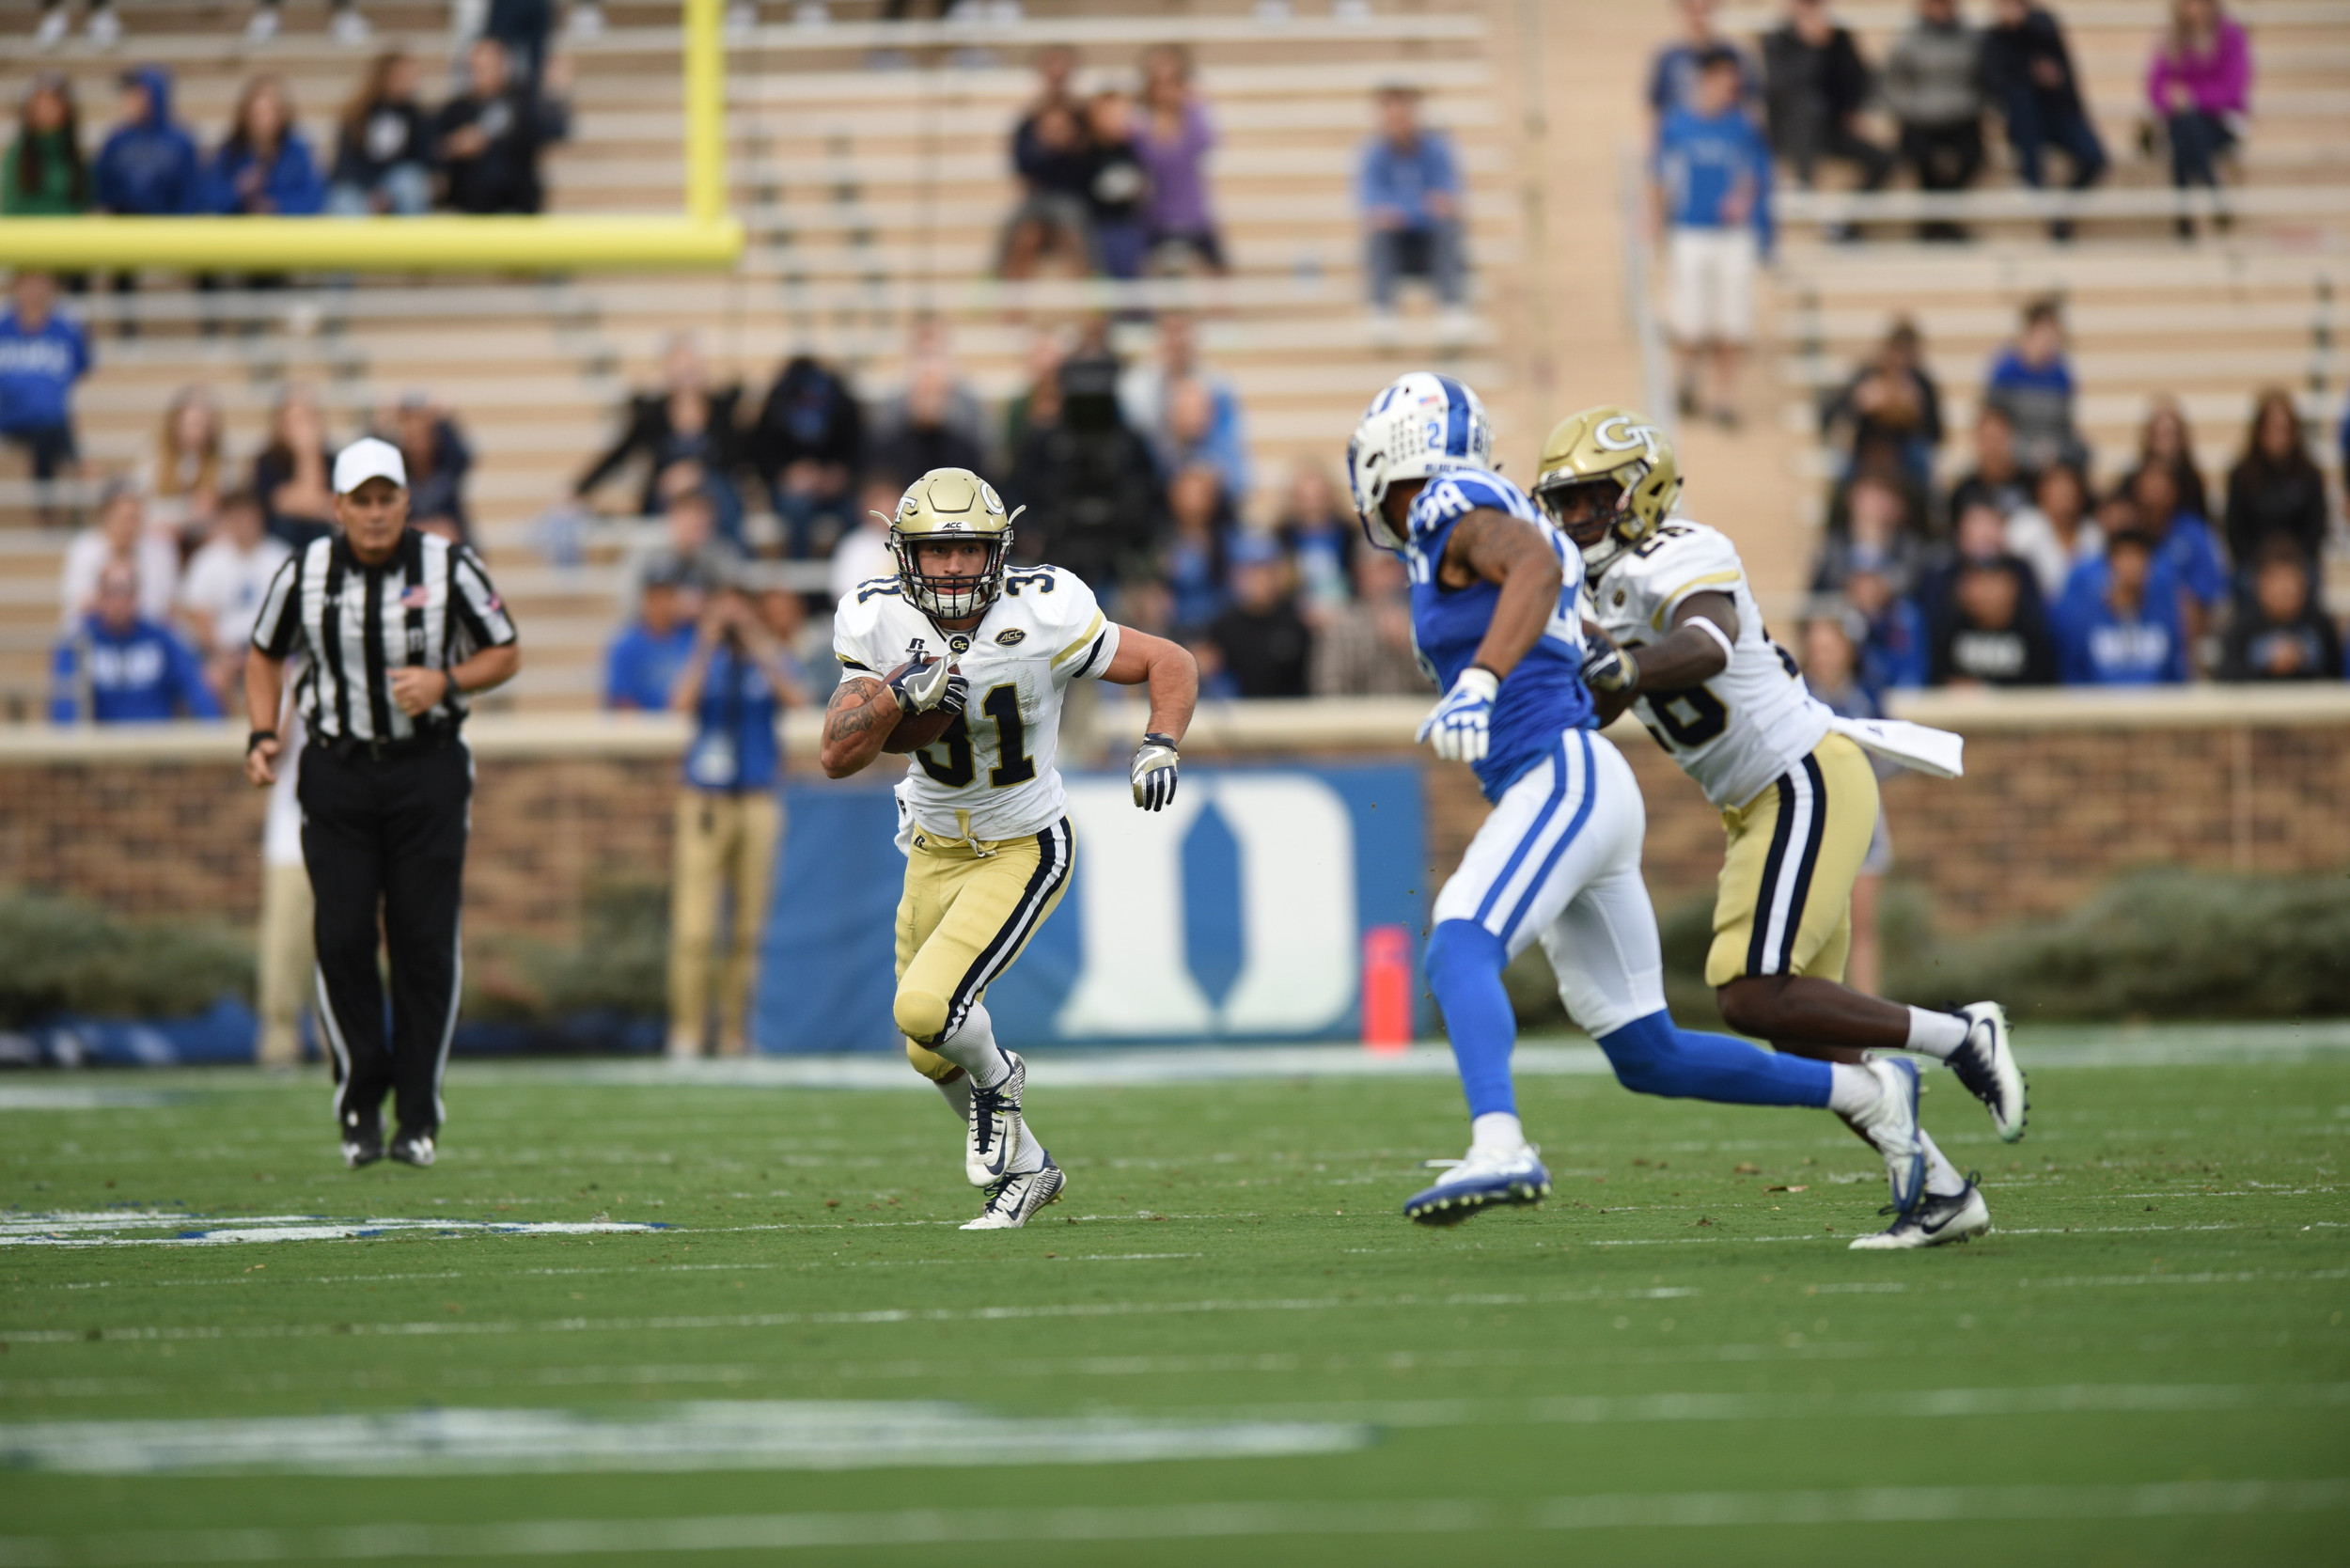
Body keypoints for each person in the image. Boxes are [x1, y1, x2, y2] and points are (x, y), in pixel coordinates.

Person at [1347, 377, 1950, 1236]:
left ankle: (1500, 1141)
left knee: (1457, 945)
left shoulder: (1451, 502)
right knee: (1647, 1054)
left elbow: (1530, 558)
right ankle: (1871, 1092)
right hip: (1575, 784)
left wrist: (1480, 679)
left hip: (1560, 777)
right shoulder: (1464, 526)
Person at [1551, 404, 2018, 1249]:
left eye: (1592, 498)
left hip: (1802, 774)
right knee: (1804, 1032)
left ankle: (1959, 1033)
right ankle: (1945, 1192)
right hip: (1757, 801)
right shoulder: (1585, 591)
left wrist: (1620, 661)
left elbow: (1707, 643)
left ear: (1641, 492)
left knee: (1747, 989)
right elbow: (1601, 697)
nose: (1576, 518)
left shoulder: (1685, 548)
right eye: (1565, 503)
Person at [821, 466, 1198, 1228]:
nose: (955, 566)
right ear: (905, 555)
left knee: (929, 1006)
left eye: (970, 549)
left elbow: (1171, 662)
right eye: (937, 551)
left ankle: (1001, 1083)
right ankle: (1029, 1169)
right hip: (930, 848)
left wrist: (1159, 742)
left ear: (1001, 551)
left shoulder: (1049, 609)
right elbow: (836, 756)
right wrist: (897, 695)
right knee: (927, 1049)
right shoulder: (874, 619)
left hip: (1022, 843)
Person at [244, 437, 524, 1170]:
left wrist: (446, 682)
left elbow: (504, 648)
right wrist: (262, 731)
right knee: (340, 937)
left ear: (406, 502)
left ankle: (419, 1113)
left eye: (385, 499)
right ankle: (360, 1102)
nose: (373, 513)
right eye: (360, 501)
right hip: (337, 770)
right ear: (337, 508)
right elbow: (264, 650)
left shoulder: (447, 565)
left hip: (426, 770)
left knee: (423, 942)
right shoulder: (304, 571)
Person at [666, 575, 809, 1058]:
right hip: (704, 798)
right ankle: (687, 1032)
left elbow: (797, 698)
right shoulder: (703, 659)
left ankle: (734, 1032)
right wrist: (707, 645)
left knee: (748, 927)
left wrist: (755, 638)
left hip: (757, 796)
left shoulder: (765, 657)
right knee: (695, 929)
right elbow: (679, 704)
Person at [1653, 47, 1775, 428]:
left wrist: (1744, 201)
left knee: (1732, 319)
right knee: (1689, 317)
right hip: (1691, 229)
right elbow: (1661, 175)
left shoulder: (1743, 127)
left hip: (1732, 236)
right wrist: (1657, 221)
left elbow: (1755, 173)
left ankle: (1724, 396)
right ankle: (1687, 378)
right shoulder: (1678, 125)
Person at [1007, 353, 1165, 596]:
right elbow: (1016, 492)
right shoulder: (1044, 442)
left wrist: (1138, 538)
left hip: (1117, 558)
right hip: (1055, 550)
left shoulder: (1130, 443)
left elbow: (1152, 496)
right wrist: (1031, 533)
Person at [1795, 614, 1893, 996]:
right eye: (1816, 648)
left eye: (1830, 647)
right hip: (1816, 820)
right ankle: (1815, 1002)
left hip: (1865, 819)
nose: (1823, 656)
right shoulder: (1798, 697)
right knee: (1815, 922)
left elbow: (1889, 755)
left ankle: (1868, 1003)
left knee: (1862, 923)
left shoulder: (1866, 695)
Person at [575, 335, 745, 524]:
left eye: (690, 366)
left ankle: (728, 550)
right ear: (667, 370)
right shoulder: (652, 414)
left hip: (715, 498)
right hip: (666, 500)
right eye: (679, 366)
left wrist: (696, 474)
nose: (686, 373)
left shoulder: (722, 409)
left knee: (718, 490)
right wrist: (580, 489)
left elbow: (737, 457)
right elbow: (620, 454)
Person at [1984, 0, 2105, 237]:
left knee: (2095, 157)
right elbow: (1995, 83)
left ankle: (2060, 210)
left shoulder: (2043, 26)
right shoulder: (1995, 39)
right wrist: (2031, 75)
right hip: (2026, 124)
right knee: (2021, 98)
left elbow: (2062, 73)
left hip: (2060, 115)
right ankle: (2033, 181)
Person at [51, 559, 222, 724]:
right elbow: (65, 705)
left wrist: (214, 735)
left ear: (136, 595)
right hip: (101, 747)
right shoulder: (79, 643)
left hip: (155, 744)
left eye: (126, 591)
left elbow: (195, 687)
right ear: (100, 596)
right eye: (112, 591)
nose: (119, 600)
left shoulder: (161, 639)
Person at [1761, 0, 1892, 207]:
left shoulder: (1839, 37)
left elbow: (1858, 79)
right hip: (1793, 130)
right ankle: (1804, 181)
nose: (1810, 10)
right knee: (1810, 107)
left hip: (1834, 128)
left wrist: (1853, 111)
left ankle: (1847, 219)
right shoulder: (1778, 41)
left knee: (1886, 159)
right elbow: (1783, 88)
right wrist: (1811, 47)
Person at [1358, 86, 1467, 332]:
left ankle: (1453, 306)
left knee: (1448, 228)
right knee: (1379, 235)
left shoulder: (1437, 149)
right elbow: (1372, 204)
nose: (1397, 122)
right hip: (1396, 246)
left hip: (1430, 243)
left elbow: (1446, 200)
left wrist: (1402, 211)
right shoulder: (1374, 155)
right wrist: (1419, 208)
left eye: (1403, 114)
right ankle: (1382, 310)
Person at [178, 490, 292, 712]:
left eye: (247, 516)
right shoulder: (208, 560)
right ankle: (218, 743)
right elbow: (199, 616)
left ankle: (276, 740)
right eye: (235, 517)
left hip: (272, 653)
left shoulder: (281, 557)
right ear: (226, 519)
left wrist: (268, 655)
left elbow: (291, 615)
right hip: (224, 653)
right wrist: (222, 653)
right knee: (209, 679)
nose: (242, 523)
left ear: (259, 518)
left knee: (292, 678)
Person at [1883, 0, 1987, 241]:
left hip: (1961, 115)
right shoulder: (1907, 39)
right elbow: (1893, 81)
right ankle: (1935, 223)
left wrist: (1972, 104)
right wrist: (1909, 108)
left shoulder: (1970, 39)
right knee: (1920, 158)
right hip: (1920, 117)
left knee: (1974, 156)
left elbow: (1982, 77)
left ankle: (1941, 219)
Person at [434, 38, 571, 215]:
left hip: (517, 199)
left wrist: (555, 95)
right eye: (476, 68)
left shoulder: (522, 101)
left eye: (488, 66)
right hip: (471, 201)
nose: (481, 73)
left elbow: (553, 131)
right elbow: (433, 148)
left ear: (502, 65)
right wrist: (456, 145)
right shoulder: (457, 109)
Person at [2148, 0, 2250, 234]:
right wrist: (2175, 100)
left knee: (2185, 127)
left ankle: (2183, 218)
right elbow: (2155, 89)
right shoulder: (2170, 38)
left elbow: (2232, 91)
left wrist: (2191, 97)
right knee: (2185, 126)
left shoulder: (2230, 36)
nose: (2194, 9)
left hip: (2221, 123)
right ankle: (2214, 190)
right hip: (2184, 124)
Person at [750, 354, 863, 558]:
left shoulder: (840, 402)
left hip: (836, 490)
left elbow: (857, 452)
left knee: (857, 510)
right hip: (791, 491)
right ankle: (800, 579)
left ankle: (846, 576)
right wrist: (785, 475)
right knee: (796, 508)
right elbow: (760, 454)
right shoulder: (776, 402)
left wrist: (839, 475)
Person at [0, 272, 90, 510]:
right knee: (52, 429)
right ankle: (72, 479)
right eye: (29, 283)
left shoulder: (65, 329)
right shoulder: (3, 327)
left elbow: (81, 367)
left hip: (50, 421)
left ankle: (53, 507)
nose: (35, 290)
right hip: (8, 416)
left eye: (41, 283)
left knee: (48, 427)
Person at [2052, 527, 2187, 685]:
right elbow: (2075, 675)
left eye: (2139, 557)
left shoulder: (2165, 617)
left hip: (2154, 708)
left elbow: (2175, 676)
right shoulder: (2085, 620)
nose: (2132, 565)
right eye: (2124, 557)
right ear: (2109, 563)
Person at [1002, 47, 1094, 279]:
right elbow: (1022, 165)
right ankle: (1003, 301)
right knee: (1021, 235)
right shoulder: (1029, 120)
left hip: (1071, 199)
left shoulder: (1083, 117)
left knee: (1072, 234)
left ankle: (1094, 305)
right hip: (1038, 198)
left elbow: (1091, 165)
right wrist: (1047, 147)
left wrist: (1070, 145)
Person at [1820, 318, 1940, 484]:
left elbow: (1937, 435)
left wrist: (1918, 413)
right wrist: (1857, 402)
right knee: (1844, 470)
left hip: (1904, 453)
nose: (1901, 361)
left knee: (1920, 459)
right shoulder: (1866, 376)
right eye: (1898, 352)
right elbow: (1831, 418)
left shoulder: (1922, 384)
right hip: (1867, 451)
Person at [1136, 43, 1223, 273]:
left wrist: (1192, 103)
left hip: (1194, 215)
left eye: (1172, 83)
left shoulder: (1195, 118)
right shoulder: (1140, 124)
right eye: (1160, 83)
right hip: (1158, 219)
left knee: (1220, 273)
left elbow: (1209, 143)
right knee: (1169, 276)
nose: (1166, 91)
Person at [2223, 389, 2327, 572]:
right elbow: (2235, 531)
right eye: (2270, 428)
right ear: (2259, 431)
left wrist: (2292, 569)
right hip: (2254, 567)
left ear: (2294, 432)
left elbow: (2316, 529)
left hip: (2299, 567)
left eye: (2283, 429)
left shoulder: (2310, 475)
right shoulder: (2241, 475)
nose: (2277, 437)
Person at [60, 478, 177, 630]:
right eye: (123, 519)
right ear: (104, 517)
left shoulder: (160, 550)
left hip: (149, 638)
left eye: (135, 519)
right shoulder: (83, 550)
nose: (129, 527)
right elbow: (78, 609)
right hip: (99, 636)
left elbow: (169, 608)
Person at [1984, 298, 2084, 475]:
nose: (2049, 341)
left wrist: (2053, 450)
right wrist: (2024, 451)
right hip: (2013, 454)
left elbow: (2065, 429)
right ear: (2030, 331)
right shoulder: (2005, 371)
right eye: (2044, 333)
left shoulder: (2061, 375)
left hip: (2050, 454)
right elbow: (1994, 426)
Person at [328, 51, 433, 216]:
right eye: (403, 75)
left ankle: (412, 241)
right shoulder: (357, 113)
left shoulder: (415, 116)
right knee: (345, 201)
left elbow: (421, 159)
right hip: (360, 185)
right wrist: (372, 191)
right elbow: (346, 164)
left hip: (394, 185)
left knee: (410, 183)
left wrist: (385, 193)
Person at [204, 76, 325, 219]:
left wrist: (276, 206)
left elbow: (312, 200)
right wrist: (237, 189)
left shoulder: (297, 153)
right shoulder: (231, 153)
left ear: (281, 115)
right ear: (245, 116)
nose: (263, 122)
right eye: (257, 114)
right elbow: (210, 200)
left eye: (269, 113)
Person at [2219, 539, 2342, 682]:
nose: (2284, 591)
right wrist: (2268, 665)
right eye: (2276, 584)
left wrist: (2300, 661)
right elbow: (2226, 677)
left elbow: (2336, 677)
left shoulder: (2320, 625)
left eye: (2290, 584)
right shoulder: (2240, 628)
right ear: (2259, 585)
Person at [1206, 534, 1311, 698]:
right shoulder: (1223, 627)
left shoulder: (1298, 621)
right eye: (1251, 573)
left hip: (1292, 715)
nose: (1259, 581)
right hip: (1243, 716)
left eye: (1265, 572)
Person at [1927, 554, 2057, 686]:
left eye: (1992, 581)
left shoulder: (2033, 636)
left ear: (2013, 587)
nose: (1984, 592)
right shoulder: (1947, 634)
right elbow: (1935, 685)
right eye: (1975, 582)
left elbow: (2046, 690)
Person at [1310, 546, 1424, 697]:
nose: (1390, 578)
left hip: (1411, 716)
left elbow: (1436, 687)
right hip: (1358, 718)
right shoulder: (1342, 626)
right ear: (1362, 573)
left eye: (1395, 568)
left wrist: (1407, 649)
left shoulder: (1419, 621)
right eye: (1381, 569)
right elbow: (1327, 687)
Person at [92, 67, 201, 222]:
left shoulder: (180, 143)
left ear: (154, 96)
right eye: (128, 94)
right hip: (123, 232)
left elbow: (189, 195)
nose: (129, 101)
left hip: (167, 232)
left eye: (136, 94)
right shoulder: (116, 142)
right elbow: (105, 193)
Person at [870, 361, 989, 489]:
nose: (930, 402)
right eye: (924, 392)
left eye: (936, 393)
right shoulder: (889, 449)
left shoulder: (964, 450)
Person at [603, 560, 699, 712]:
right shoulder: (626, 646)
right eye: (655, 597)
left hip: (685, 728)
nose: (661, 605)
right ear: (644, 599)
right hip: (642, 732)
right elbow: (623, 704)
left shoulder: (691, 640)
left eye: (667, 596)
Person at [2003, 458, 2102, 602]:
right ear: (2041, 492)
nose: (2064, 496)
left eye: (2069, 490)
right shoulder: (2023, 527)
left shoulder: (2093, 532)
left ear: (2081, 495)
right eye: (2057, 490)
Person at [253, 385, 337, 548]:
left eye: (307, 419)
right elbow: (284, 504)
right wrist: (305, 452)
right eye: (295, 421)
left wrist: (310, 453)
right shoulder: (267, 461)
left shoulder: (332, 459)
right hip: (279, 543)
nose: (302, 429)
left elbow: (333, 508)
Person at [1648, 0, 1759, 121]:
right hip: (1681, 136)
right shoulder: (1669, 58)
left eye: (1705, 10)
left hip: (1724, 135)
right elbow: (1655, 107)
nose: (1699, 18)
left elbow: (1751, 103)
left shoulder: (1734, 56)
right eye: (1693, 11)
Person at [1081, 88, 1150, 281]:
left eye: (1123, 115)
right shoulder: (1086, 152)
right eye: (1111, 115)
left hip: (1133, 222)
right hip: (1100, 224)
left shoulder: (1134, 149)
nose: (1119, 120)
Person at [144, 384, 225, 544]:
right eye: (194, 423)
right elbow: (146, 508)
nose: (199, 430)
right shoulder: (154, 457)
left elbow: (225, 511)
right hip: (164, 536)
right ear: (177, 423)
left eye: (204, 424)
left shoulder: (220, 462)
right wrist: (187, 514)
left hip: (205, 537)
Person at [387, 394, 473, 545]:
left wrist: (445, 419)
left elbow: (463, 454)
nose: (417, 445)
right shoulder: (396, 471)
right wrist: (384, 421)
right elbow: (373, 458)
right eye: (411, 438)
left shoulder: (449, 468)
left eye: (422, 436)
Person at [5, 73, 88, 219]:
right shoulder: (18, 155)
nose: (46, 109)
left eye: (52, 102)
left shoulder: (74, 155)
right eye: (40, 103)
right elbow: (10, 206)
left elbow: (84, 203)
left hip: (69, 238)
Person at [1946, 402, 2033, 525]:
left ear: (2010, 437)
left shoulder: (2031, 485)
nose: (1992, 447)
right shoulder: (1963, 493)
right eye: (1986, 438)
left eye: (1997, 437)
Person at [2137, 393, 2210, 523]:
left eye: (2170, 434)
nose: (2165, 442)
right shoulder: (2134, 477)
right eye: (2159, 434)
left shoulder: (2193, 481)